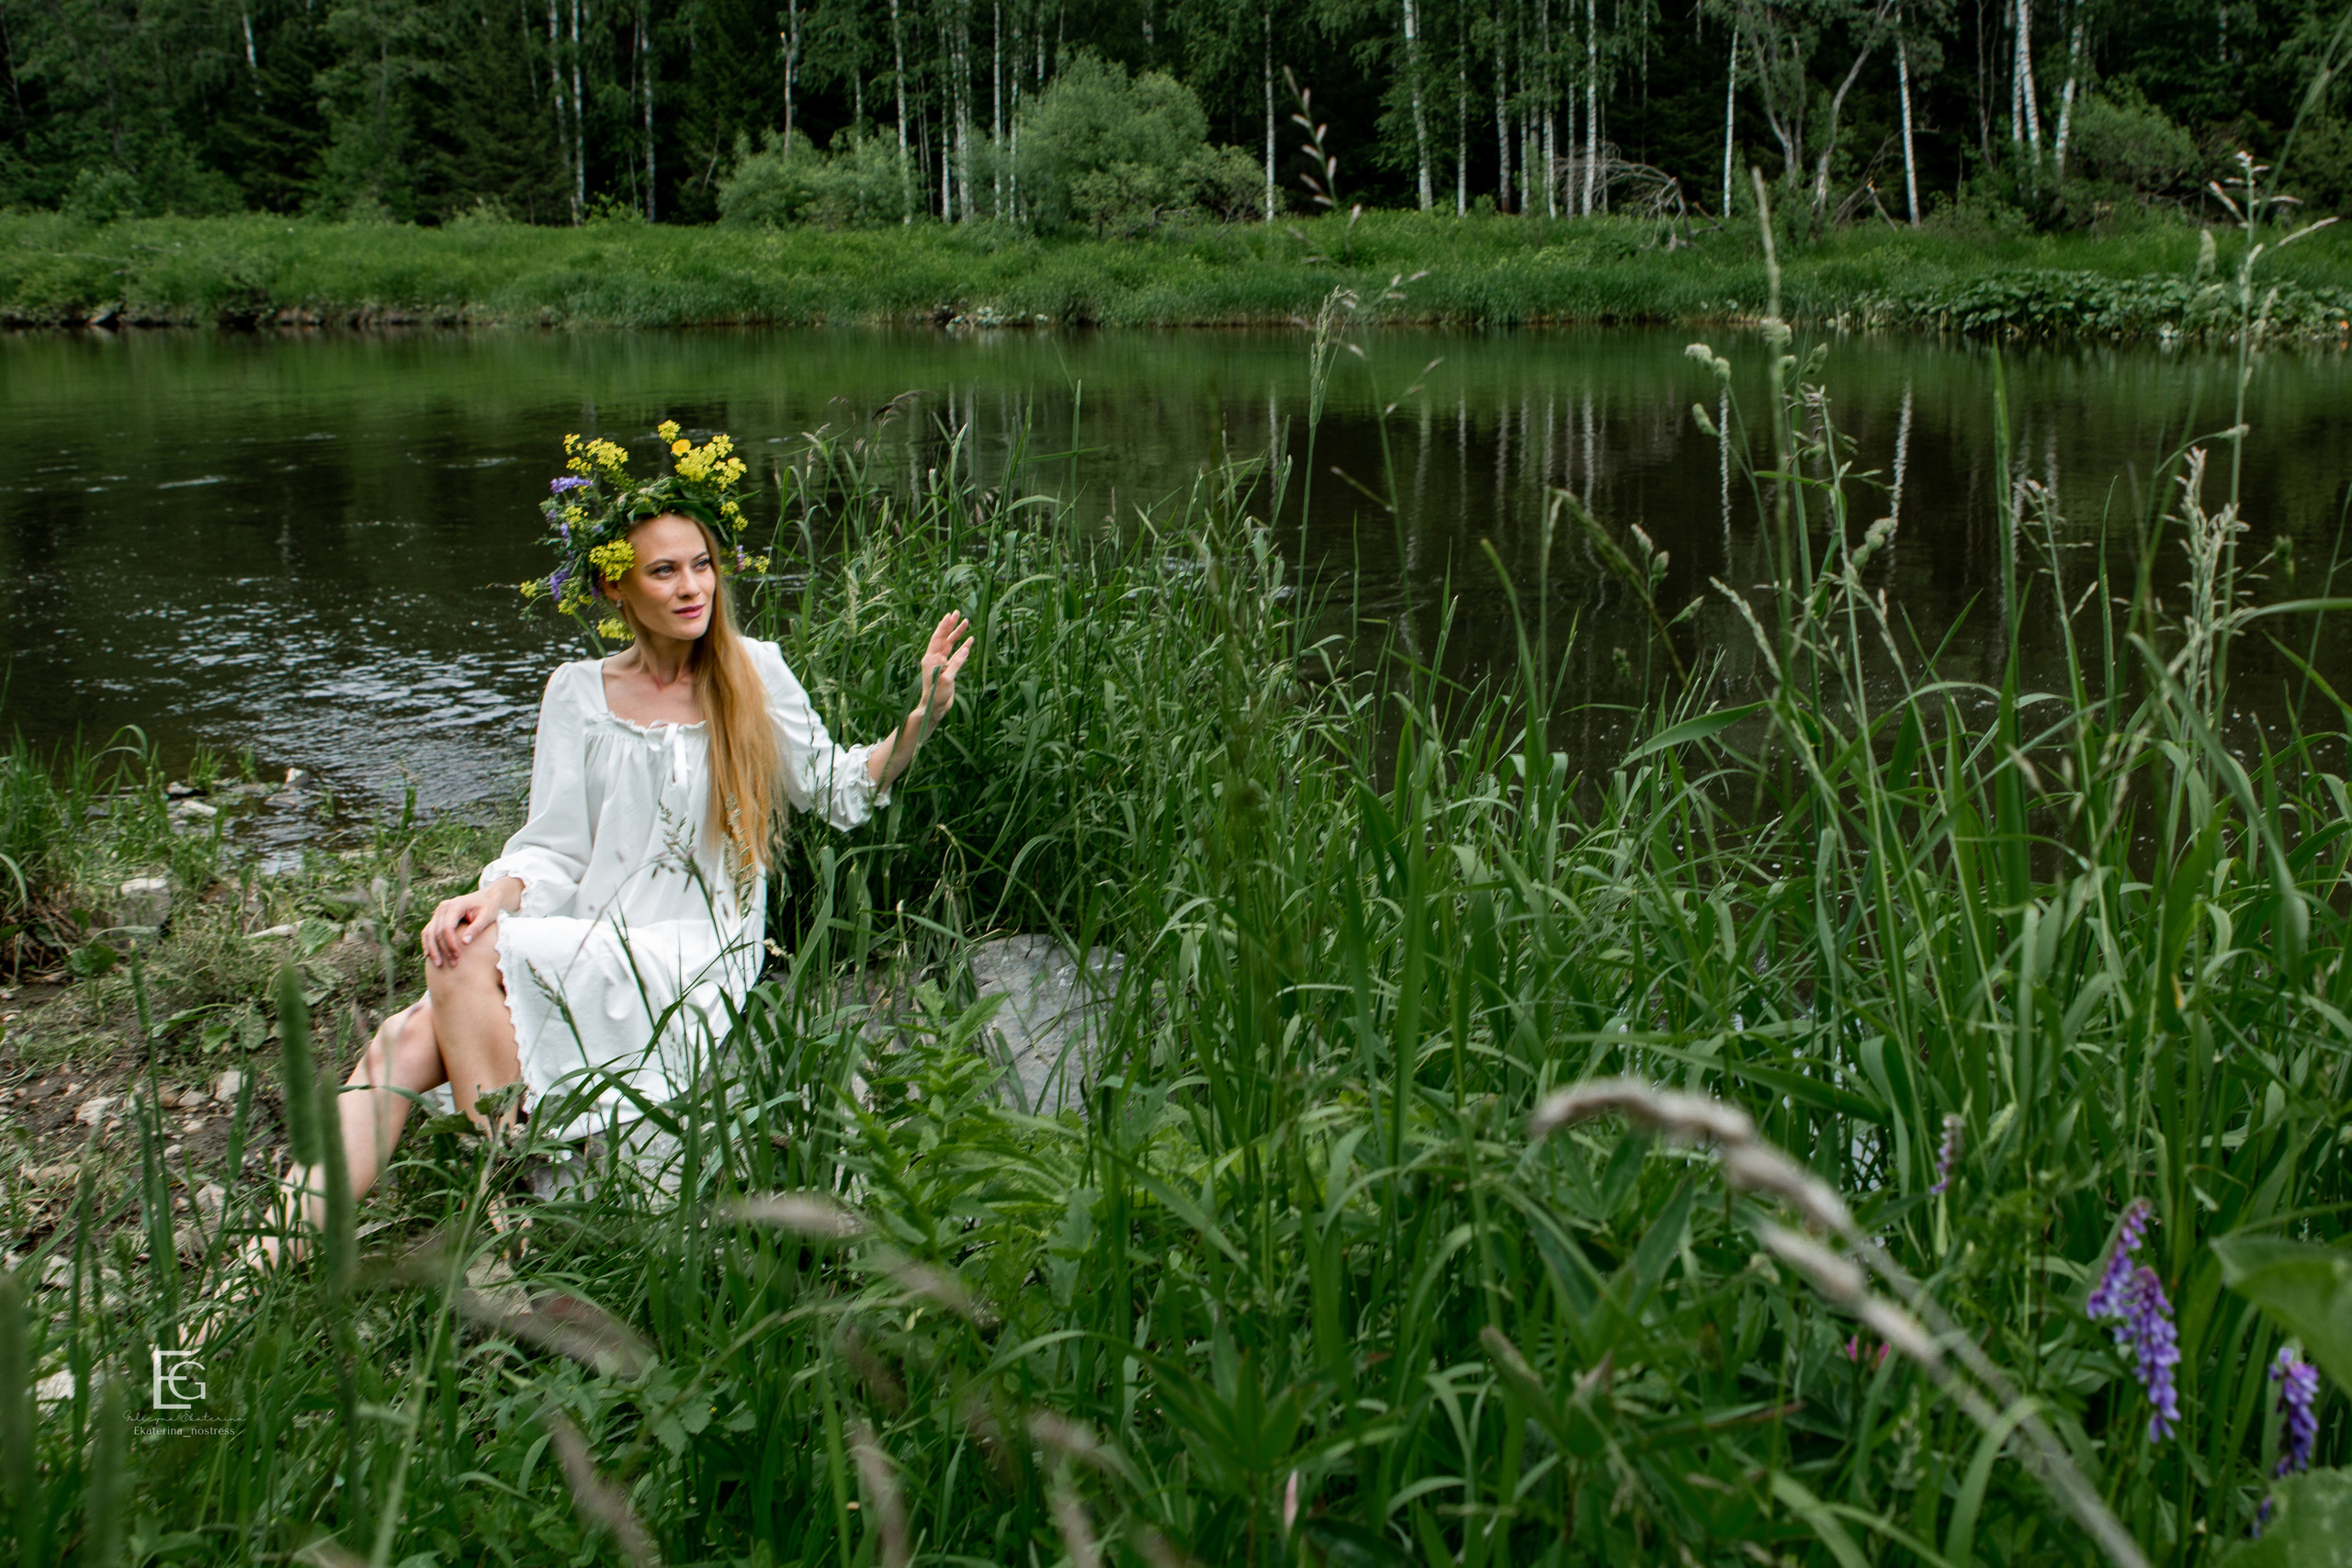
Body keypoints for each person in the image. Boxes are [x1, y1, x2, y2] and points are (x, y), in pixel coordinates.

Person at [258, 422, 969, 1258]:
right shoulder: (576, 693)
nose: (691, 586)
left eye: (700, 563)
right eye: (663, 570)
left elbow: (839, 787)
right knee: (409, 1026)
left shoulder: (753, 672)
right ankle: (278, 1261)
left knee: (448, 978)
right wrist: (490, 896)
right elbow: (553, 851)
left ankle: (502, 1210)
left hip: (692, 943)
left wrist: (918, 722)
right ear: (616, 591)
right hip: (589, 926)